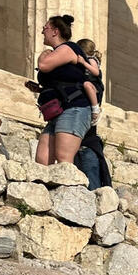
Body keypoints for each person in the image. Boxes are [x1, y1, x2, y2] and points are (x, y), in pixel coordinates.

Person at [27, 14, 92, 165]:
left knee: (64, 159)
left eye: (45, 28)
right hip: (58, 110)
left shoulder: (68, 48)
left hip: (74, 108)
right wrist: (41, 89)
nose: (43, 31)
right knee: (42, 161)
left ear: (55, 31)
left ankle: (73, 188)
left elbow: (44, 65)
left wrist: (44, 53)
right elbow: (63, 80)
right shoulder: (60, 51)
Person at [75, 38, 103, 126]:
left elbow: (96, 72)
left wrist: (84, 63)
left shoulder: (91, 59)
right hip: (88, 84)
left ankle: (96, 108)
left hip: (94, 84)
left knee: (87, 85)